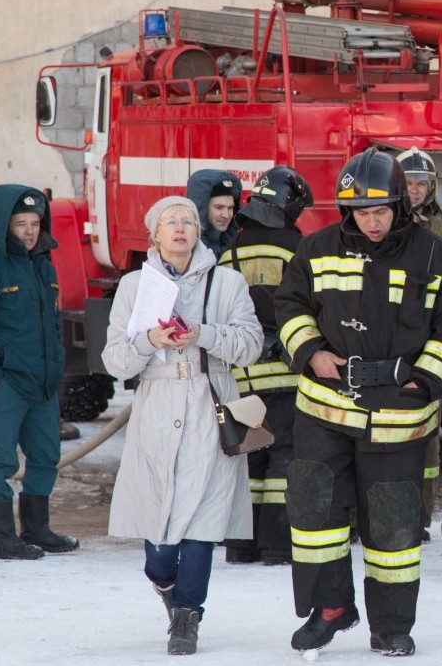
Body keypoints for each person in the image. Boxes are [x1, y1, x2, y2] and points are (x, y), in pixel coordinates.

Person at [274, 148, 442, 657]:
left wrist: (426, 382)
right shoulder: (315, 249)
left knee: (393, 526)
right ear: (347, 210)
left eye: (381, 210)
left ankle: (391, 626)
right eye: (362, 212)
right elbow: (290, 306)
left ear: (401, 205)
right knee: (315, 514)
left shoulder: (438, 256)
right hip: (324, 407)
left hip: (398, 414)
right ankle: (330, 608)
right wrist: (311, 352)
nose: (372, 221)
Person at [101, 196, 264, 655]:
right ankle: (166, 583)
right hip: (156, 407)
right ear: (154, 233)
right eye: (170, 222)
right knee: (159, 537)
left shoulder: (227, 282)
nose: (180, 229)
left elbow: (252, 344)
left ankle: (188, 616)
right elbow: (113, 359)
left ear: (199, 230)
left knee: (203, 518)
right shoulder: (135, 286)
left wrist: (203, 334)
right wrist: (150, 339)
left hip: (210, 406)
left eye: (188, 221)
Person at [0, 184, 80, 561]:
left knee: (45, 457)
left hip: (41, 386)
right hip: (6, 384)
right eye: (21, 223)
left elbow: (52, 325)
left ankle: (37, 530)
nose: (28, 231)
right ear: (3, 224)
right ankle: (2, 539)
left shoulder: (43, 266)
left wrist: (55, 368)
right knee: (1, 462)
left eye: (35, 223)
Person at [217, 165, 314, 565]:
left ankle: (241, 545)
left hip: (239, 374)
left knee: (248, 454)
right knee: (284, 455)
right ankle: (276, 544)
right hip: (284, 373)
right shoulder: (296, 247)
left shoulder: (229, 252)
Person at [398, 146, 442, 542]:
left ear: (432, 188)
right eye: (407, 183)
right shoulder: (379, 226)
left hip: (428, 350)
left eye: (420, 183)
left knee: (426, 441)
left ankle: (419, 518)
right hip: (385, 350)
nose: (413, 191)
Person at [186, 169, 243, 258]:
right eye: (219, 207)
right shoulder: (184, 250)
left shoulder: (236, 243)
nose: (226, 215)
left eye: (230, 208)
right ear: (201, 208)